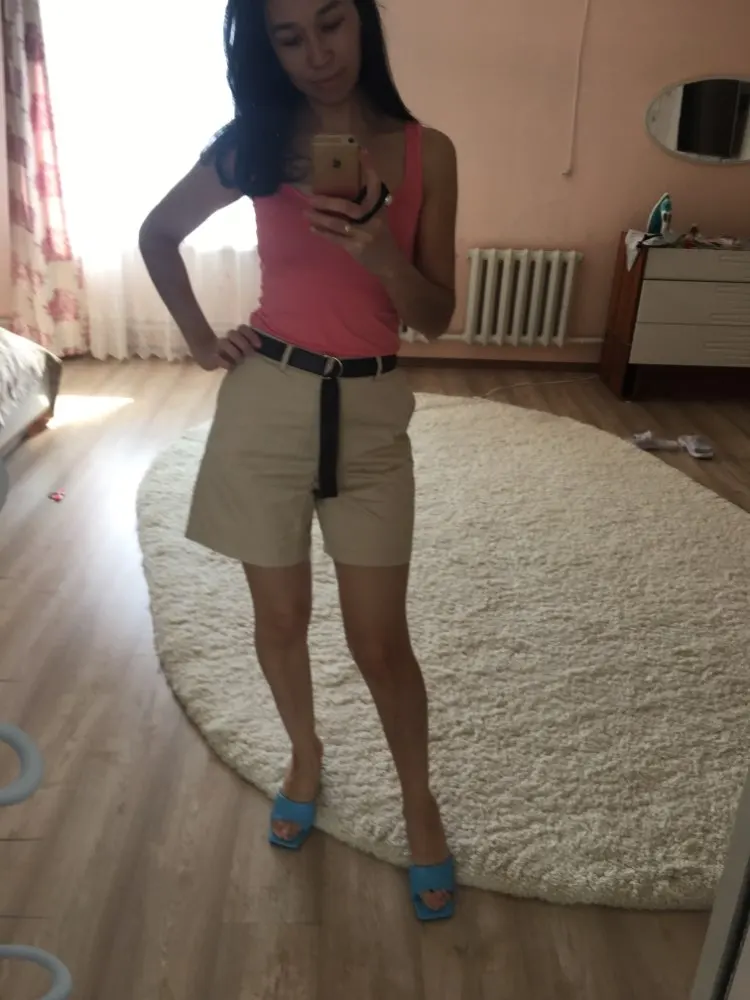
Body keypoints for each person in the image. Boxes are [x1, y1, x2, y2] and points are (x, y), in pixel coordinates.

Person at [139, 0, 458, 922]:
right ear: (266, 49)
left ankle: (419, 801)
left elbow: (436, 317)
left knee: (380, 641)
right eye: (289, 37)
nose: (316, 53)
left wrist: (379, 251)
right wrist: (201, 340)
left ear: (363, 24)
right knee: (279, 618)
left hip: (372, 414)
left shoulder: (428, 152)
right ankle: (305, 756)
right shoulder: (255, 145)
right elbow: (158, 234)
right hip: (267, 402)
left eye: (330, 24)